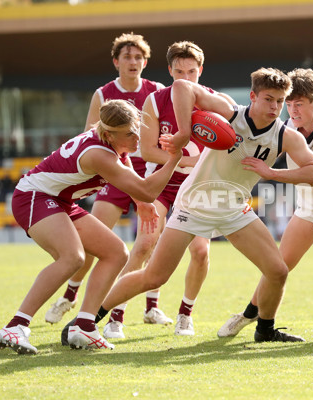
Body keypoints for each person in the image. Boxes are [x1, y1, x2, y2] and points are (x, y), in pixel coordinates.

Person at [87, 67, 313, 345]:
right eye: (268, 99)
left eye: (279, 100)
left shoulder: (286, 136)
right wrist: (184, 133)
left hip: (234, 208)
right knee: (155, 277)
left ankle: (265, 329)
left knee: (277, 271)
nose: (274, 107)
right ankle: (89, 318)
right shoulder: (229, 112)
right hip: (195, 203)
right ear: (252, 96)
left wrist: (273, 173)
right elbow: (181, 86)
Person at [0, 99, 182, 354]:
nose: (137, 136)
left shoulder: (111, 143)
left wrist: (140, 203)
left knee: (116, 253)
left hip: (58, 199)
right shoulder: (99, 153)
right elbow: (148, 190)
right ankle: (16, 326)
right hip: (34, 197)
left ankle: (83, 326)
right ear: (109, 134)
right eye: (129, 133)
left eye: (137, 128)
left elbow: (129, 171)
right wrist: (173, 159)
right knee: (73, 258)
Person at [217, 68, 313, 341]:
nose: (291, 109)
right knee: (278, 265)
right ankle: (248, 314)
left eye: (298, 103)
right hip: (310, 203)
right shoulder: (285, 129)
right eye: (288, 103)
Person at [101, 41, 236, 340]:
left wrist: (210, 162)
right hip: (161, 184)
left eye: (191, 72)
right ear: (169, 71)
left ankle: (185, 316)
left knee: (200, 252)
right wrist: (186, 159)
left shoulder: (215, 101)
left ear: (200, 71)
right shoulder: (154, 100)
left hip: (199, 187)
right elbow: (148, 152)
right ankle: (115, 317)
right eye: (179, 72)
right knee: (145, 244)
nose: (185, 79)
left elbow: (230, 145)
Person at [44, 32, 168, 326]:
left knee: (149, 243)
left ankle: (151, 307)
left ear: (145, 61)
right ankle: (70, 296)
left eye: (138, 57)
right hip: (113, 173)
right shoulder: (103, 94)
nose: (133, 61)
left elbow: (162, 134)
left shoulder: (156, 90)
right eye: (127, 56)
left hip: (146, 173)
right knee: (93, 244)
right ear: (116, 61)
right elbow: (92, 135)